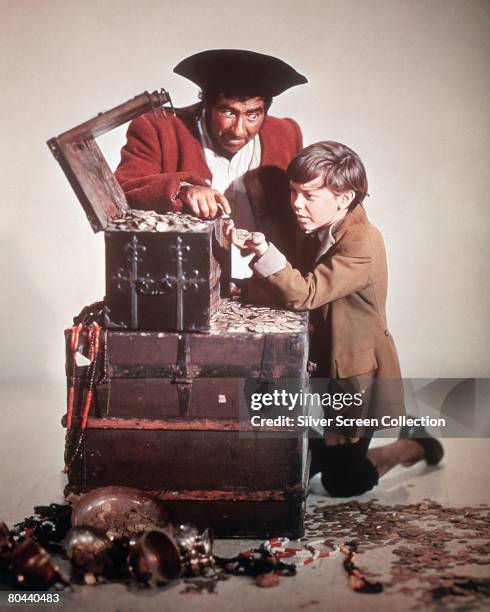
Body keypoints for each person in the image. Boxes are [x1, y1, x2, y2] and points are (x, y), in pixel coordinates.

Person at [227, 141, 443, 497]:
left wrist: (266, 253)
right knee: (297, 459)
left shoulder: (362, 243)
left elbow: (306, 292)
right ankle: (334, 454)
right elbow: (292, 278)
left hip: (356, 375)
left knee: (342, 483)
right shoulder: (319, 225)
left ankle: (411, 444)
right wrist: (239, 289)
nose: (297, 204)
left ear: (343, 198)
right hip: (326, 363)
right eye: (294, 192)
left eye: (310, 196)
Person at [115, 49, 307, 264]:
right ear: (207, 105)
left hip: (271, 281)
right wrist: (183, 189)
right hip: (189, 276)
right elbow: (122, 189)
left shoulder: (286, 134)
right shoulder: (159, 128)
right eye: (228, 112)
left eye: (253, 115)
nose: (239, 130)